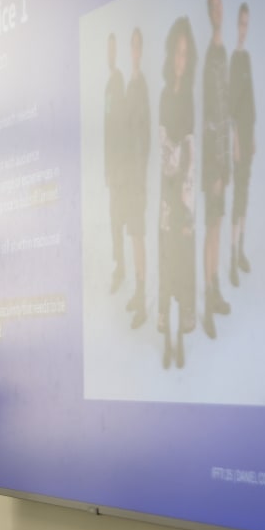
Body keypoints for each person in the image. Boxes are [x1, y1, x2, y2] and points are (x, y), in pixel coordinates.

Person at [156, 16, 198, 369]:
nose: (180, 60)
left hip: (184, 194)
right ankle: (167, 339)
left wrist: (185, 205)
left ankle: (181, 340)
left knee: (183, 266)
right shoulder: (163, 97)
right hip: (166, 194)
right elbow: (163, 149)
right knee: (167, 262)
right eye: (176, 53)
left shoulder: (189, 99)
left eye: (185, 54)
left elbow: (189, 152)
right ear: (170, 55)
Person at [201, 0, 231, 339]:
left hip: (224, 156)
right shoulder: (211, 56)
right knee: (211, 228)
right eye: (215, 5)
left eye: (222, 3)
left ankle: (217, 291)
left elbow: (226, 111)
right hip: (213, 161)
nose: (219, 9)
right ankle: (208, 302)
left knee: (219, 225)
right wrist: (216, 168)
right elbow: (210, 116)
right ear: (210, 12)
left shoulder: (223, 52)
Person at [124, 26, 152, 329]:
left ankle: (143, 301)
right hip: (126, 178)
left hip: (138, 179)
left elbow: (144, 137)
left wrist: (141, 179)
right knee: (132, 235)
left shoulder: (141, 86)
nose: (133, 51)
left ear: (141, 51)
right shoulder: (129, 87)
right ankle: (137, 290)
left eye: (136, 46)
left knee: (139, 237)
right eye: (130, 46)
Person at [229, 2, 256, 287]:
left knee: (245, 194)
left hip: (249, 137)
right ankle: (232, 258)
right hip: (239, 139)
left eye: (247, 24)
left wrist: (253, 136)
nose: (243, 29)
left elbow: (250, 100)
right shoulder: (233, 61)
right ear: (235, 25)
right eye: (241, 23)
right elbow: (233, 108)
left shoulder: (246, 58)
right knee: (237, 198)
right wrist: (236, 140)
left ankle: (241, 252)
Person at [105, 31, 128, 294]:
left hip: (122, 168)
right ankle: (118, 266)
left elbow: (122, 126)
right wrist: (106, 169)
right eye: (107, 51)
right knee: (113, 219)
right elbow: (106, 128)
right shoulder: (107, 86)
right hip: (112, 169)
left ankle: (121, 268)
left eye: (113, 50)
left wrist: (120, 167)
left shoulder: (120, 80)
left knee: (120, 218)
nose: (110, 55)